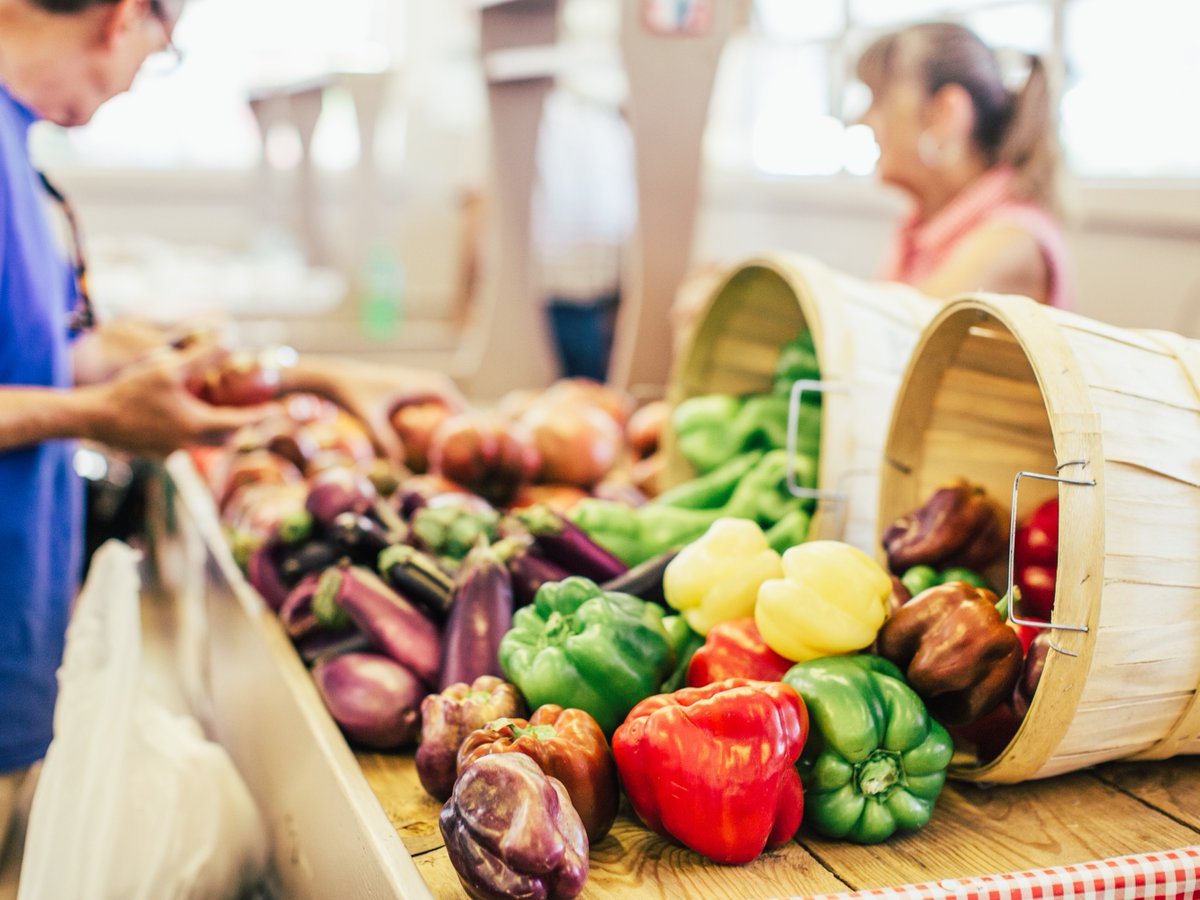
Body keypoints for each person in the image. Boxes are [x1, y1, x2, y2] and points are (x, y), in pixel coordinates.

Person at [0, 0, 459, 859]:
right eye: (159, 50)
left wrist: (309, 375)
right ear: (125, 16)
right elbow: (79, 386)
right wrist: (98, 419)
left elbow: (65, 345)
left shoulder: (18, 151)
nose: (139, 77)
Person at [857, 21, 1072, 308]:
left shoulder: (1010, 240)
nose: (861, 119)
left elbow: (896, 342)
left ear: (944, 114)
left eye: (878, 100)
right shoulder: (917, 229)